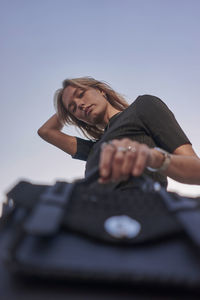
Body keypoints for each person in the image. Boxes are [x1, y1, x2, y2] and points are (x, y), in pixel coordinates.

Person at [38, 77, 200, 187]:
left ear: (101, 91)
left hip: (144, 217)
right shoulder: (93, 149)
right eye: (73, 108)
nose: (79, 104)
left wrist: (153, 158)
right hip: (99, 225)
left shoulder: (143, 106)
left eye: (81, 94)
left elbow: (196, 170)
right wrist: (64, 106)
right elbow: (46, 132)